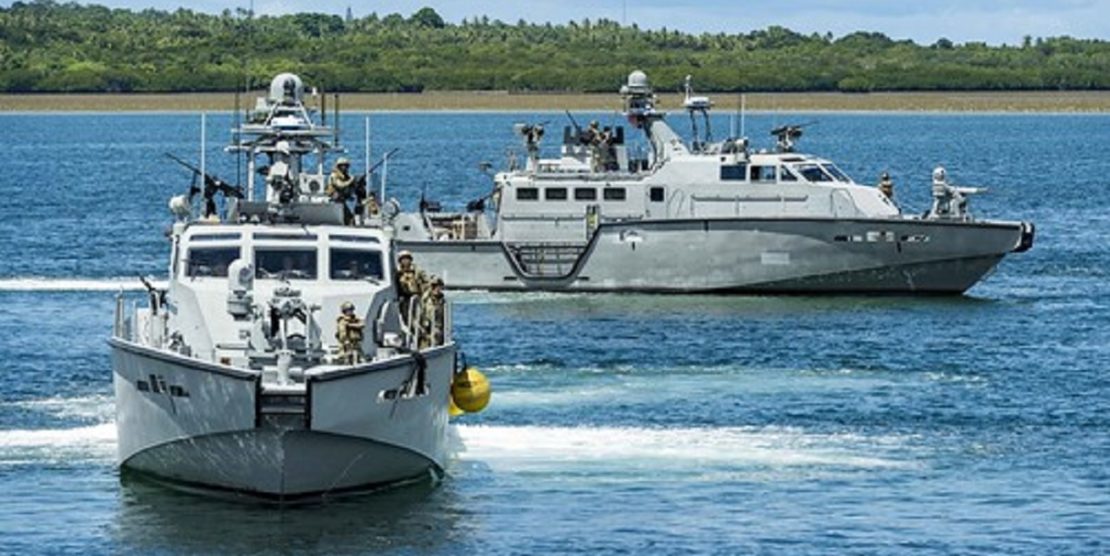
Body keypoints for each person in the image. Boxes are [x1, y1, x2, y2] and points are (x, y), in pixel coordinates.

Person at [395, 250, 428, 324]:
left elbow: (426, 281)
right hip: (403, 298)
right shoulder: (397, 272)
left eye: (407, 258)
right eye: (403, 259)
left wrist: (423, 291)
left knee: (419, 315)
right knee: (405, 317)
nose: (405, 261)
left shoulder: (417, 271)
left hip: (416, 296)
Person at [326, 157, 357, 224]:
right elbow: (340, 185)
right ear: (339, 166)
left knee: (350, 216)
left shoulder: (345, 176)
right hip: (335, 199)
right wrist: (350, 181)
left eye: (346, 166)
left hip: (344, 199)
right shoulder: (334, 175)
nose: (345, 167)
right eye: (343, 165)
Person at [419, 276, 446, 349]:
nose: (436, 289)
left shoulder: (442, 300)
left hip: (438, 328)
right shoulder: (425, 299)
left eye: (438, 286)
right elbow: (421, 313)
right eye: (434, 286)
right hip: (426, 329)